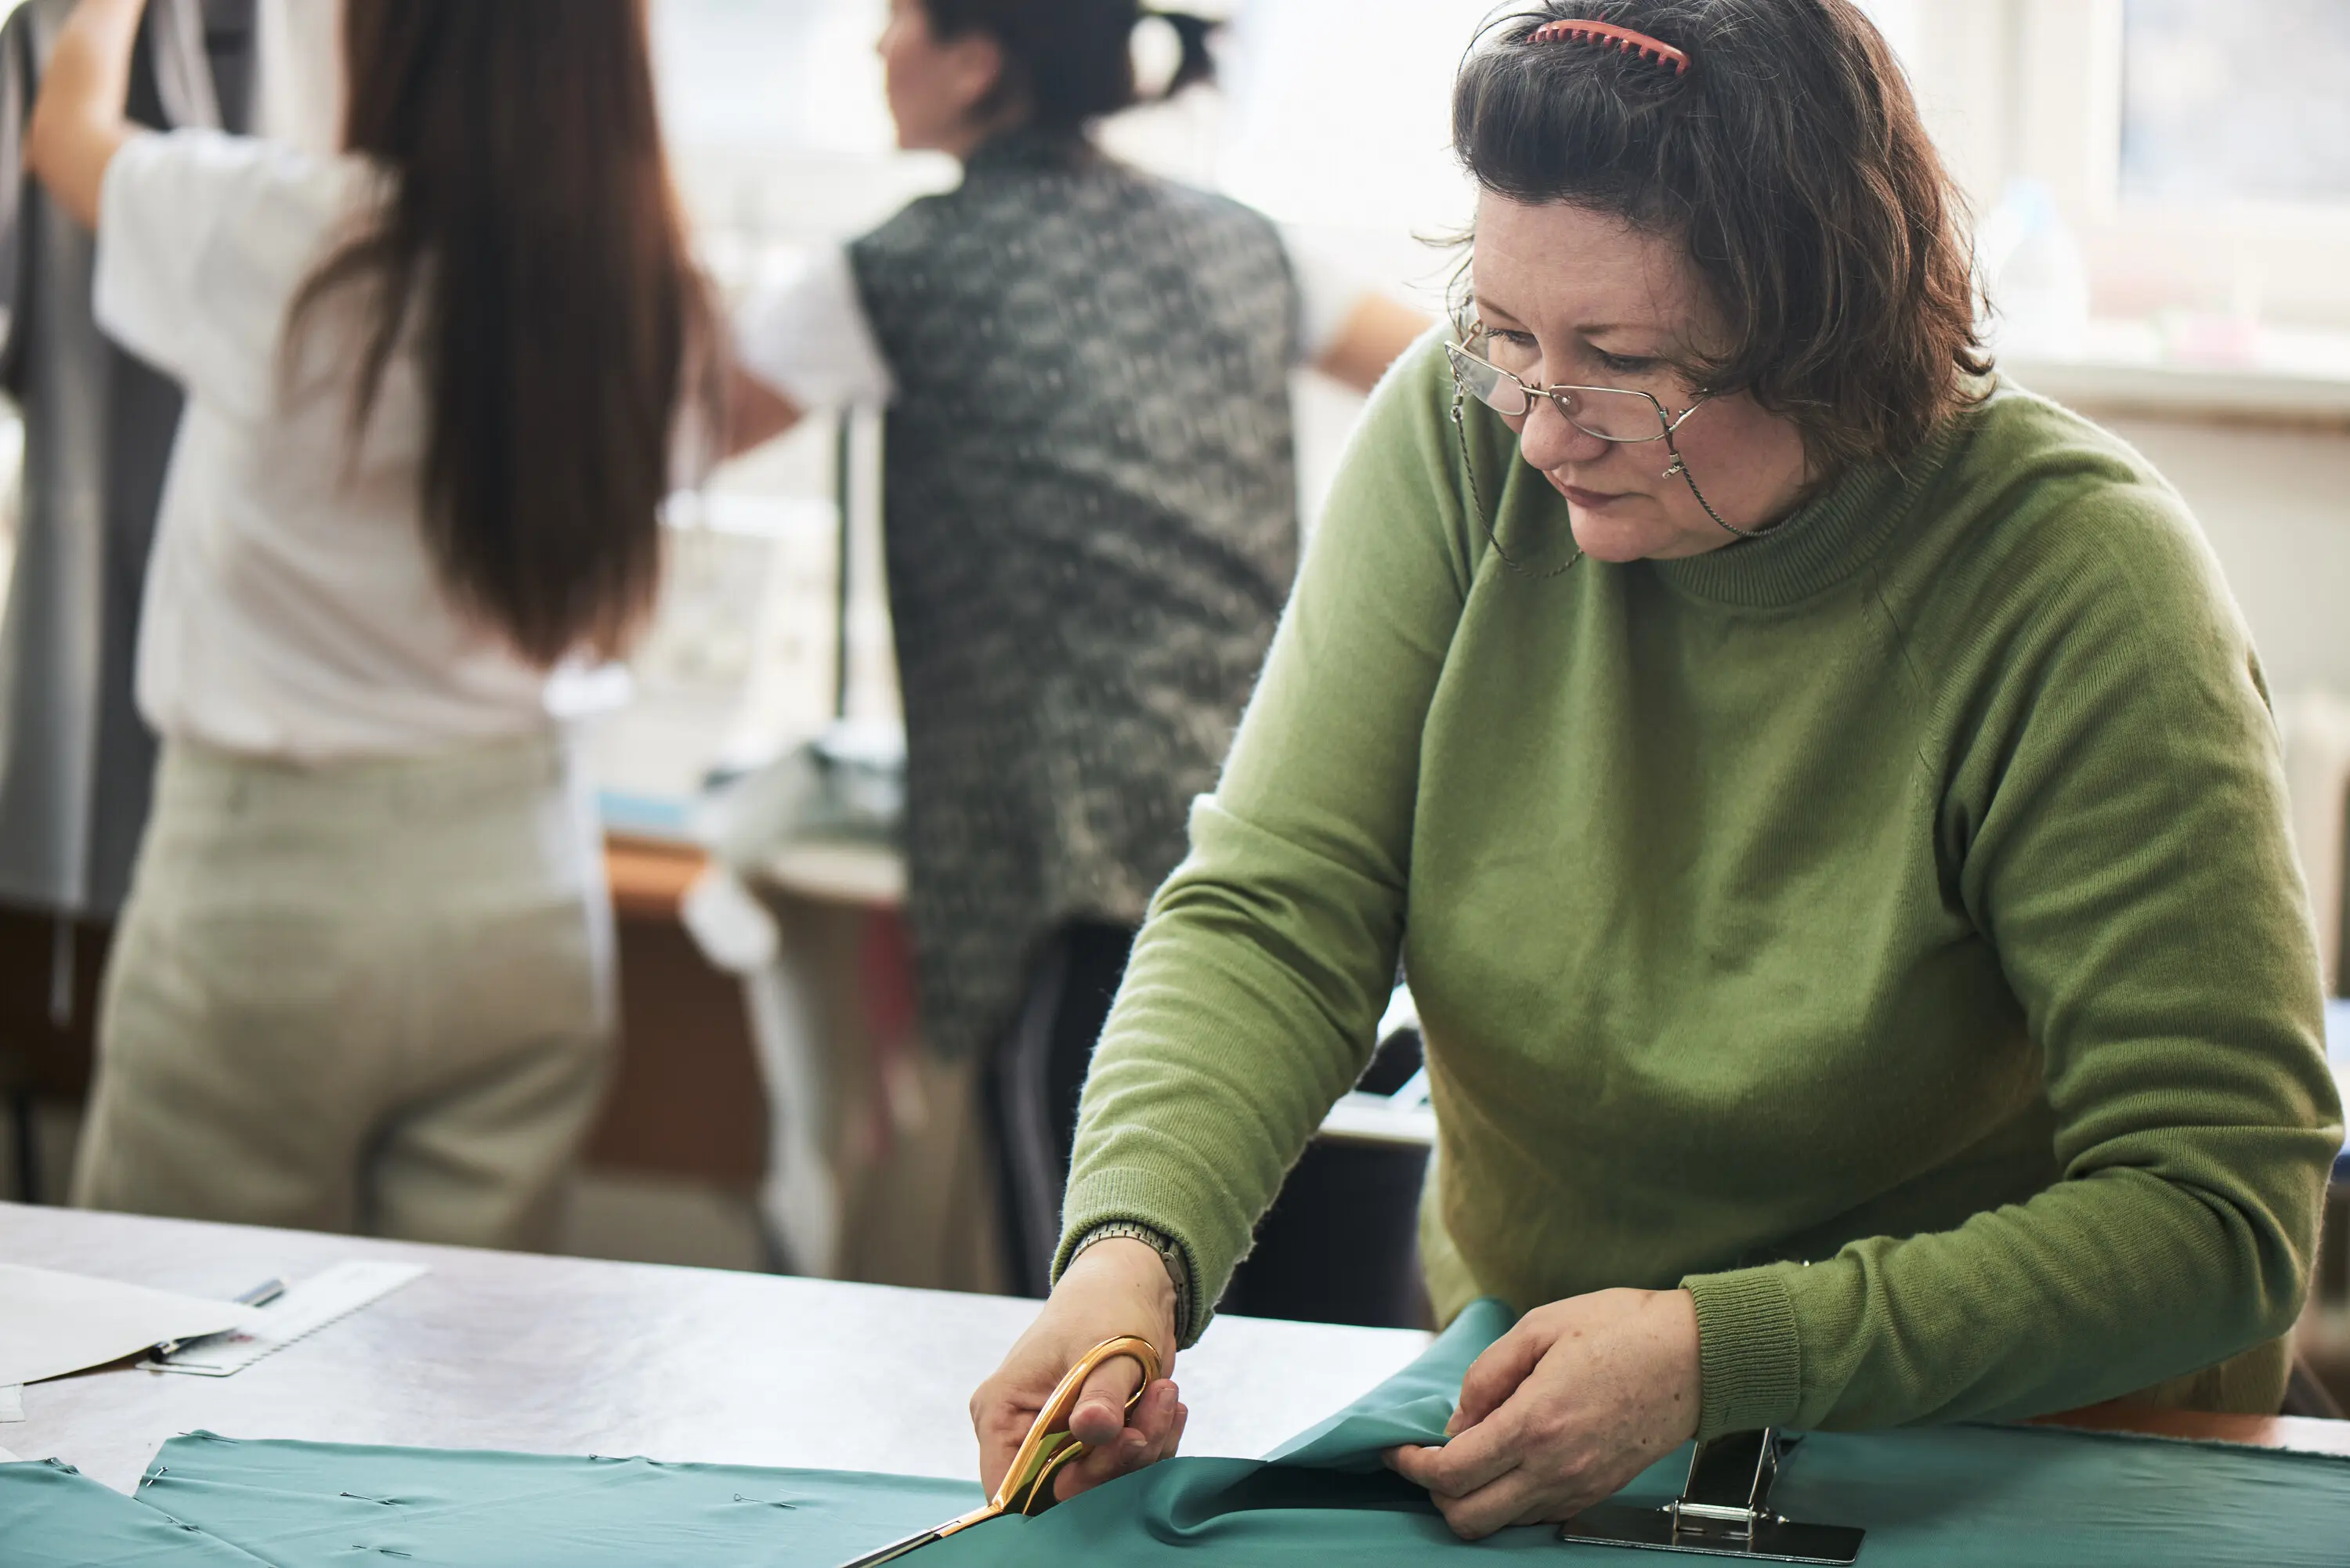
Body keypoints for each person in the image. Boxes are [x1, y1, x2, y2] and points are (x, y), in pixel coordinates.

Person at [971, 0, 2343, 1537]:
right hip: (1562, 1429)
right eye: (1505, 336)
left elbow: (2215, 1213)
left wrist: (1726, 1351)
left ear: (1833, 333)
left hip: (2016, 1458)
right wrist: (1127, 1256)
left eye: (1619, 363)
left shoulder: (2082, 586)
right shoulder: (1458, 438)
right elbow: (1282, 905)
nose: (1544, 427)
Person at [728, 0, 1428, 1295]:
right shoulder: (1251, 248)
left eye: (896, 22)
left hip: (1077, 898)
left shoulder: (894, 268)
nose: (879, 50)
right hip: (1297, 856)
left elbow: (659, 439)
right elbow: (1466, 396)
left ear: (977, 59)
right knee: (1325, 1339)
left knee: (1105, 1337)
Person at [29, 0, 714, 1248]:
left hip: (269, 903)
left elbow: (66, 135)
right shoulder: (652, 291)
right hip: (527, 892)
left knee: (175, 1360)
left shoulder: (290, 231)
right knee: (455, 1400)